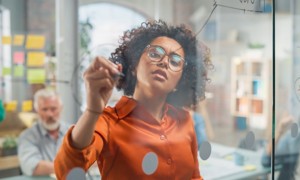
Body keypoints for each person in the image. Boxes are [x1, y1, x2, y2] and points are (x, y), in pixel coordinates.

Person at [54, 20, 211, 179]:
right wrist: (92, 111)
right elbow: (67, 173)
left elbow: (194, 177)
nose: (164, 62)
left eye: (175, 61)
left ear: (179, 82)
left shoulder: (184, 120)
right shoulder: (108, 122)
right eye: (155, 53)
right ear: (134, 67)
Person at [17, 88, 69, 176]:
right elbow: (33, 166)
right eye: (44, 109)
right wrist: (71, 167)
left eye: (53, 109)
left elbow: (90, 157)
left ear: (61, 108)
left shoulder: (73, 132)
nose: (49, 114)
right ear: (37, 111)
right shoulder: (27, 136)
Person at [261, 94, 300, 180]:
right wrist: (280, 129)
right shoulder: (292, 138)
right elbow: (266, 160)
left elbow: (266, 160)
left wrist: (280, 129)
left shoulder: (294, 139)